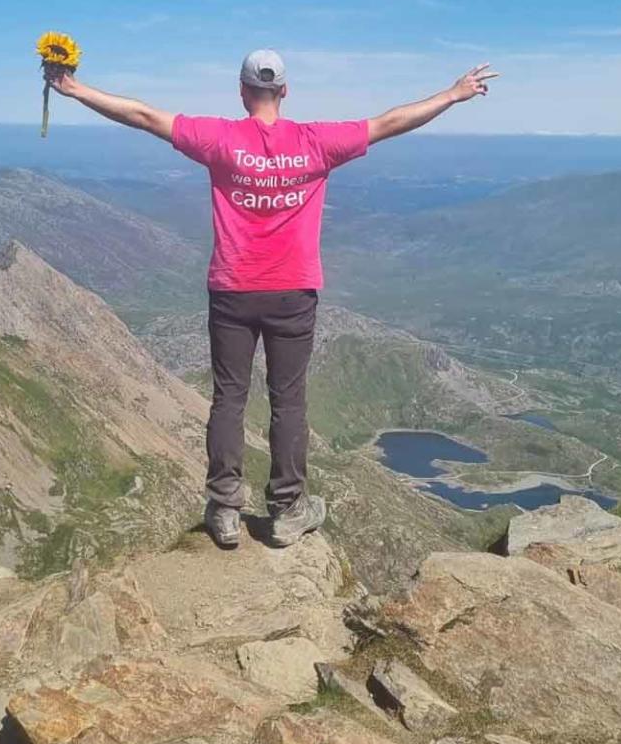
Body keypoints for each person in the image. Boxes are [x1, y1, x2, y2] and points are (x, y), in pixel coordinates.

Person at [46, 50, 497, 550]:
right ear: (285, 92)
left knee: (229, 399)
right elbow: (390, 122)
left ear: (242, 93)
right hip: (292, 293)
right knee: (289, 402)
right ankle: (286, 510)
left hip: (232, 290)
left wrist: (76, 90)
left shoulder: (219, 139)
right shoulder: (316, 143)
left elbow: (144, 116)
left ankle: (223, 510)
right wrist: (453, 95)